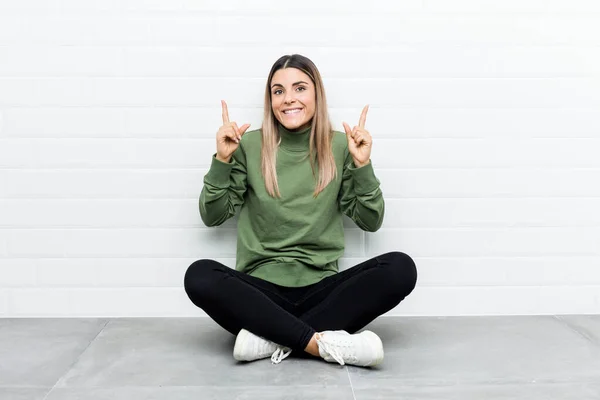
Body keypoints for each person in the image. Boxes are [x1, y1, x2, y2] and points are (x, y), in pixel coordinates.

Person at [184, 54, 417, 367]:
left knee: (401, 268)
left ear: (316, 95)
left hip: (322, 289)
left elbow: (370, 221)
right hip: (261, 291)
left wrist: (362, 165)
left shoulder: (341, 146)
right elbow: (212, 217)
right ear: (270, 100)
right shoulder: (248, 146)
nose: (288, 99)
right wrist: (223, 161)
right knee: (199, 275)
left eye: (299, 88)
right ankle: (319, 343)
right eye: (278, 91)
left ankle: (270, 337)